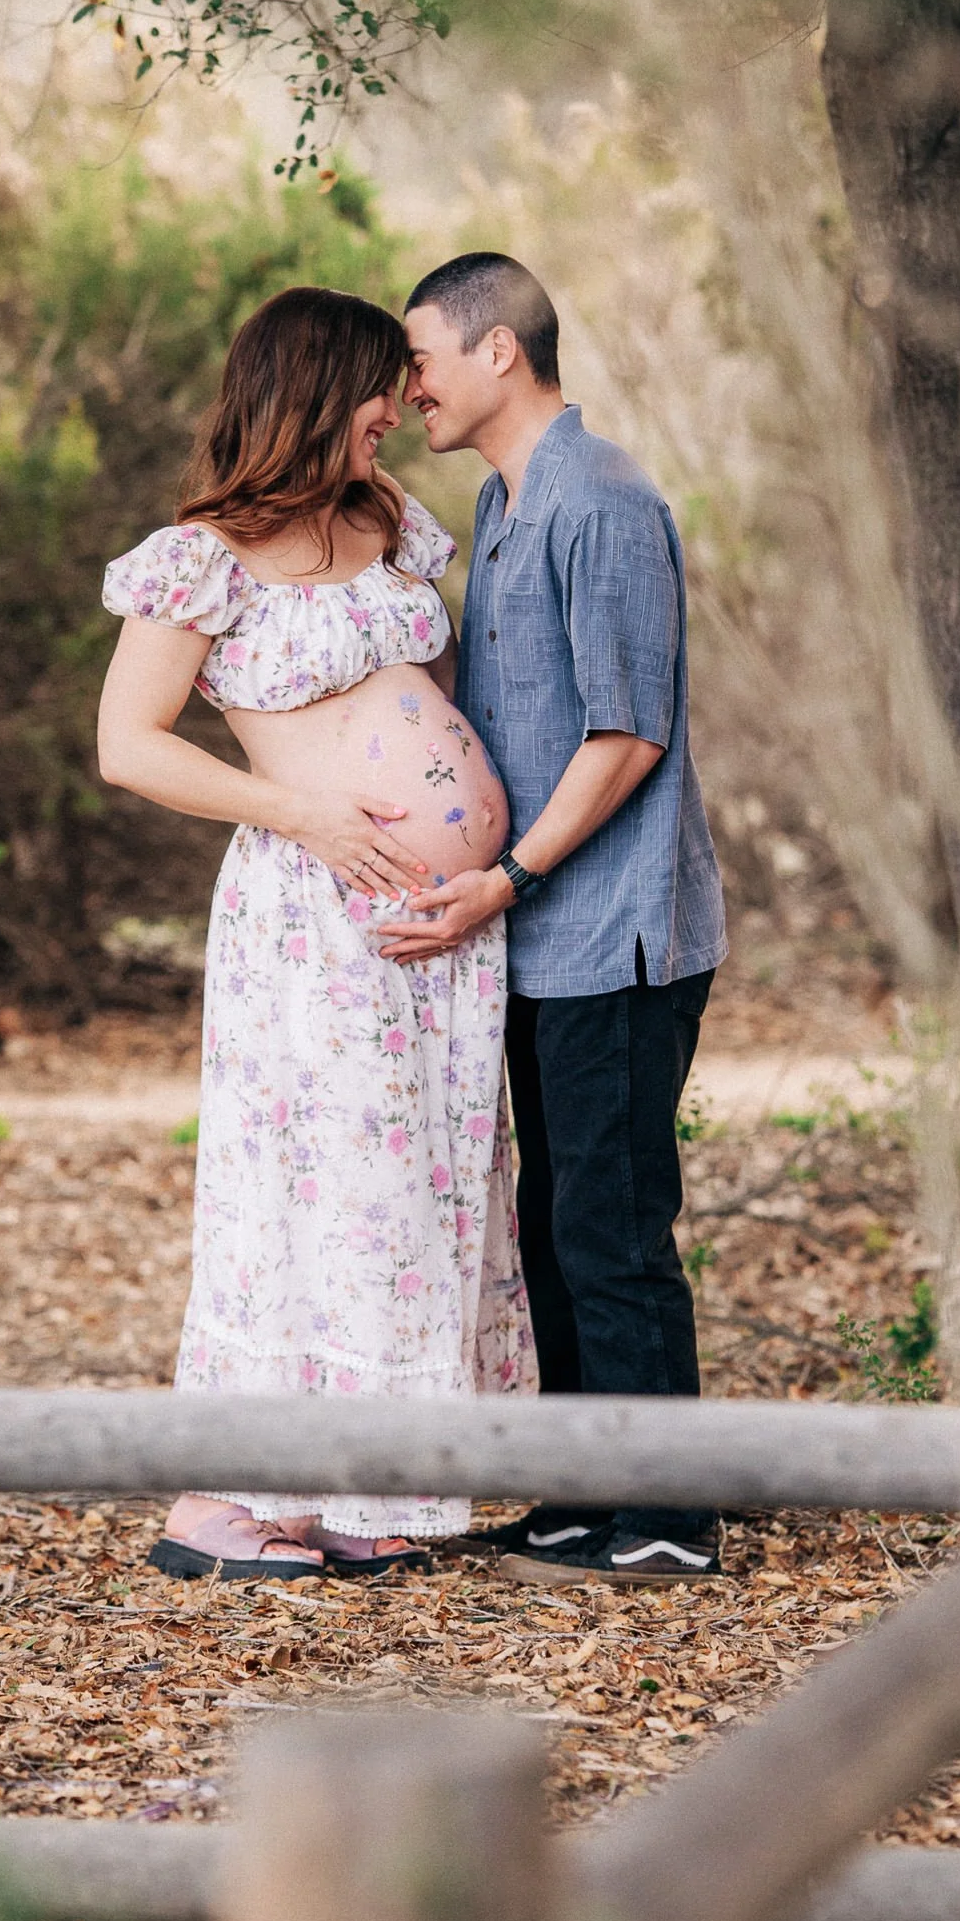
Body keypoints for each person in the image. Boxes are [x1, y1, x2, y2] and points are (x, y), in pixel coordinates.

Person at [96, 285, 535, 1581]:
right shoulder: (197, 561)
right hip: (312, 918)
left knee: (418, 1184)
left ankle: (368, 1483)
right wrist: (308, 816)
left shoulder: (390, 524)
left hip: (439, 925)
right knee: (315, 1189)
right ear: (310, 394)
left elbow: (427, 702)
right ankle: (231, 1500)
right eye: (377, 393)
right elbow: (128, 748)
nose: (397, 414)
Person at [385, 253, 727, 1581]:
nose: (407, 385)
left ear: (496, 354)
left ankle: (668, 1521)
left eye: (419, 357)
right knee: (549, 1224)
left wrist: (510, 875)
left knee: (612, 1223)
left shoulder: (602, 500)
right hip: (532, 940)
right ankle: (588, 1493)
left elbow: (625, 732)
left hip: (617, 937)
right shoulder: (500, 496)